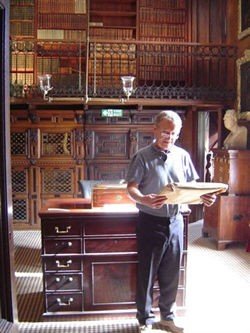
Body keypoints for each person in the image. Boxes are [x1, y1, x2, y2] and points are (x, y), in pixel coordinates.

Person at [126, 110, 216, 333]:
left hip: (176, 222)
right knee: (147, 274)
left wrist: (204, 198)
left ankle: (167, 317)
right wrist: (143, 200)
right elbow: (131, 188)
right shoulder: (142, 156)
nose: (170, 137)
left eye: (174, 133)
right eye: (166, 132)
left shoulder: (182, 156)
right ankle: (144, 320)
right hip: (150, 222)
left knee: (171, 273)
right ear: (154, 130)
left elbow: (192, 188)